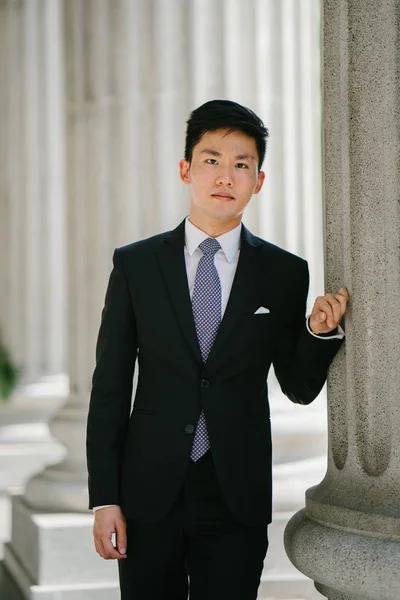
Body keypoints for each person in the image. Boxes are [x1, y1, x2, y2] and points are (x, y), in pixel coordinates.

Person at [86, 99, 349, 600]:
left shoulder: (284, 273)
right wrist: (105, 499)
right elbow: (111, 389)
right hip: (148, 493)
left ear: (259, 180)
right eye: (212, 160)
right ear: (186, 169)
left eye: (241, 164)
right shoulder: (136, 266)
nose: (225, 176)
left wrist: (318, 335)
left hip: (236, 495)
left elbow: (297, 386)